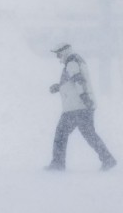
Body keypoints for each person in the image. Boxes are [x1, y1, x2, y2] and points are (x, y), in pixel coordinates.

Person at [45, 43, 117, 171]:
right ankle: (107, 159)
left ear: (64, 51)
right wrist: (59, 87)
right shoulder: (74, 61)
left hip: (77, 108)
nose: (57, 57)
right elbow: (72, 81)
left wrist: (85, 98)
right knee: (89, 135)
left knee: (61, 135)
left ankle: (58, 164)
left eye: (58, 54)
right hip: (79, 107)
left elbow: (79, 81)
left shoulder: (72, 62)